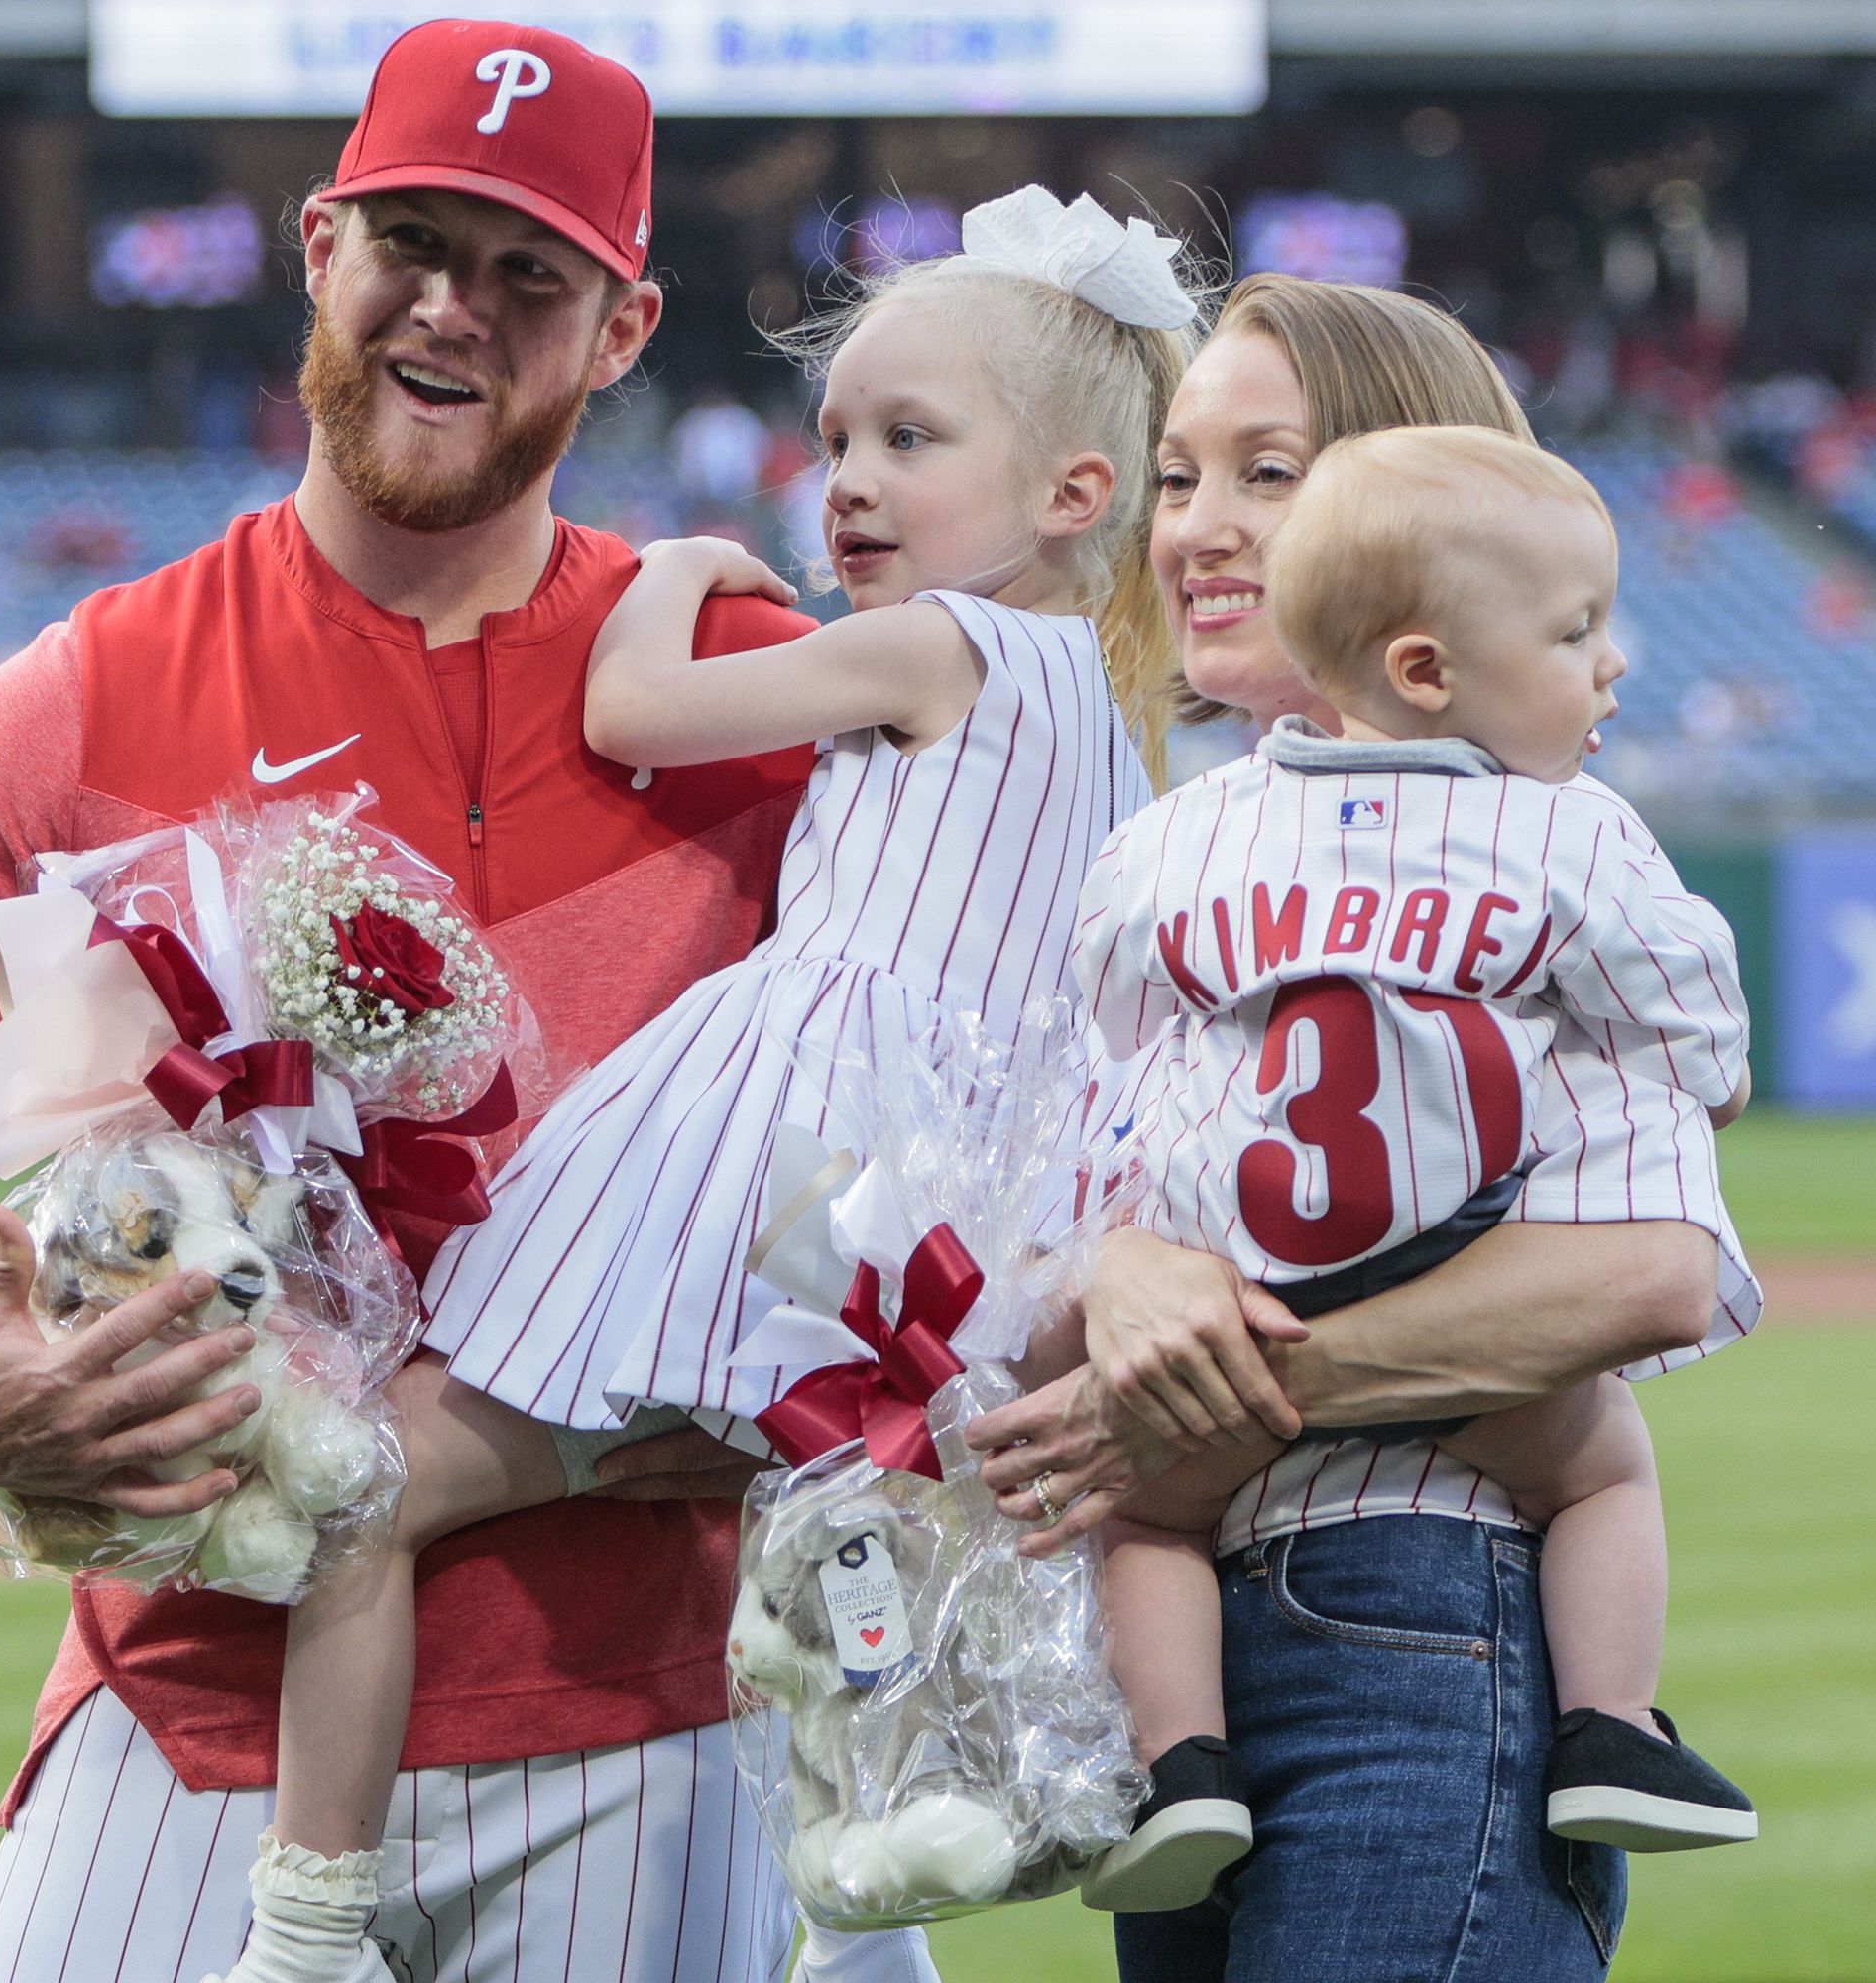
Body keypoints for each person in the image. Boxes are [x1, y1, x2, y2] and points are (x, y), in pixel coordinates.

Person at [0, 22, 927, 1982]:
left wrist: (807, 1371)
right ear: (317, 244)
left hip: (649, 1714)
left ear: (625, 326)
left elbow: (952, 1138)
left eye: (526, 273)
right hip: (188, 1707)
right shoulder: (78, 701)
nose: (451, 308)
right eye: (410, 240)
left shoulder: (767, 708)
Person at [228, 184, 1198, 1983]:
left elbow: (632, 714)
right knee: (836, 1523)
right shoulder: (1121, 731)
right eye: (836, 437)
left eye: (911, 439)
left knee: (375, 1486)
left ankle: (306, 1923)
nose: (846, 480)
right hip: (963, 1199)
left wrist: (670, 570)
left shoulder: (946, 644)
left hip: (794, 1164)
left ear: (1075, 496)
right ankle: (866, 1914)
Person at [961, 274, 1765, 1983]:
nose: (1201, 529)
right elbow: (1030, 1280)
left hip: (1422, 1611)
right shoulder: (1175, 850)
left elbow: (1648, 1273)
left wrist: (1213, 1397)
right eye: (1179, 475)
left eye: (1274, 472)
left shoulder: (1557, 844)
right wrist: (1113, 1268)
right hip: (1180, 1666)